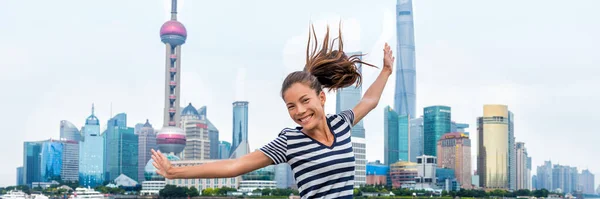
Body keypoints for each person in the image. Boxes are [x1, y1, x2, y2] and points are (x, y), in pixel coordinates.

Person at [151, 24, 395, 199]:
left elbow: (370, 100)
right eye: (291, 106)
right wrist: (174, 172)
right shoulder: (291, 141)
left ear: (321, 98)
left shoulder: (341, 125)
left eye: (304, 101)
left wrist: (385, 70)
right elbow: (234, 166)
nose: (299, 111)